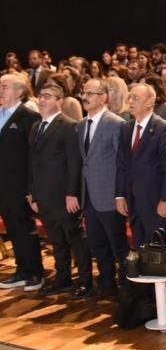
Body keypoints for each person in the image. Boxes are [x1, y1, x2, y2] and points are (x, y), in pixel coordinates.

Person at [27, 83, 92, 296]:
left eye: (47, 96)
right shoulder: (36, 127)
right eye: (40, 96)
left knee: (75, 239)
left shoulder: (69, 126)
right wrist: (32, 192)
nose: (42, 100)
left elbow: (74, 164)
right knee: (56, 240)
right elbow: (32, 163)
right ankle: (62, 279)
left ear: (59, 101)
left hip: (64, 196)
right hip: (43, 195)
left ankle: (85, 281)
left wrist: (72, 193)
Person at [75, 79, 129, 298]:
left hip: (109, 196)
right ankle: (106, 285)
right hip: (89, 196)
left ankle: (127, 287)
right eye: (84, 92)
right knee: (97, 244)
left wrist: (120, 194)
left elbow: (122, 163)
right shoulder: (81, 125)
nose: (85, 97)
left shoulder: (115, 123)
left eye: (91, 93)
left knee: (118, 245)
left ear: (104, 97)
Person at [115, 84, 166, 248]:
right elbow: (121, 164)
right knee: (140, 248)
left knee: (159, 252)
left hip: (155, 202)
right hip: (133, 201)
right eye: (129, 97)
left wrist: (165, 199)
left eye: (135, 98)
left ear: (150, 102)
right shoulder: (126, 128)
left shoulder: (164, 128)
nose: (130, 101)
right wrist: (120, 195)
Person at [0, 74, 44, 292]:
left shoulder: (29, 117)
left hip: (20, 185)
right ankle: (21, 270)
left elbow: (34, 156)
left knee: (24, 227)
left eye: (4, 86)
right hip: (2, 185)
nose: (0, 90)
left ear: (19, 91)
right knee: (12, 228)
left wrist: (31, 188)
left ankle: (35, 272)